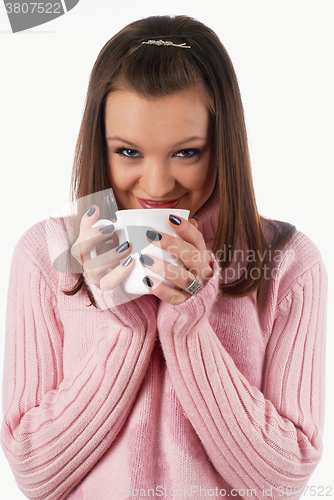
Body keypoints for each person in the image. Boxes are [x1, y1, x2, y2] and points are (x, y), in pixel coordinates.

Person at [1, 15, 327, 500]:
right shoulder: (48, 256)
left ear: (223, 145)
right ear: (100, 146)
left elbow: (282, 481)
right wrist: (127, 321)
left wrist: (191, 325)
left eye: (186, 153)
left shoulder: (286, 263)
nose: (156, 187)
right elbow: (35, 472)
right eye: (129, 152)